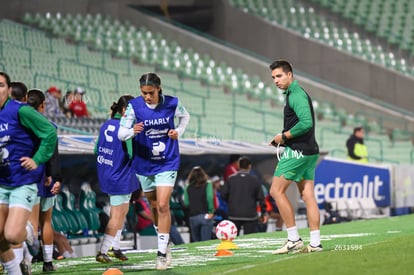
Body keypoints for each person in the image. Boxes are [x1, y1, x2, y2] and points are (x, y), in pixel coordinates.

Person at [118, 72, 190, 270]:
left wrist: (179, 132)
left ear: (159, 88)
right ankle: (165, 242)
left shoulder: (172, 103)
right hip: (144, 163)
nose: (147, 97)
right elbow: (121, 133)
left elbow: (185, 117)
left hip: (167, 161)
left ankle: (160, 254)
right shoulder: (134, 106)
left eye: (150, 92)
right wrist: (133, 131)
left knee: (164, 205)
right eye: (143, 93)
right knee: (154, 205)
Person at [0, 72, 57, 274]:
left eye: (0, 85)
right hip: (1, 182)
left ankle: (29, 231)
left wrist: (37, 159)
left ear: (8, 89)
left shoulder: (21, 111)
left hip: (21, 181)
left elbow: (50, 133)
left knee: (13, 235)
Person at [268, 60, 322, 254]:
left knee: (276, 191)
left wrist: (283, 136)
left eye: (279, 76)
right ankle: (315, 243)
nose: (276, 80)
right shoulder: (297, 93)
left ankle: (293, 239)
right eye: (273, 77)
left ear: (290, 75)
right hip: (310, 151)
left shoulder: (296, 95)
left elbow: (306, 123)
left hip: (297, 151)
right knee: (308, 196)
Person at [95, 95, 140, 264]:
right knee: (117, 215)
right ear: (123, 111)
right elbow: (131, 154)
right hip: (121, 176)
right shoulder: (124, 127)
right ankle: (103, 250)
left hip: (108, 173)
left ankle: (116, 247)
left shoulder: (105, 125)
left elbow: (96, 149)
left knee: (122, 212)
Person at [26, 89, 62, 272]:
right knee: (46, 221)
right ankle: (48, 262)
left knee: (30, 223)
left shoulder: (20, 125)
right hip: (46, 178)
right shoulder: (50, 126)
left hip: (28, 179)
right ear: (42, 105)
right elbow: (53, 156)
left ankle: (26, 261)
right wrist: (55, 178)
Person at [221, 156, 268, 235]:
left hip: (234, 214)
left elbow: (223, 194)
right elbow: (261, 198)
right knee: (249, 239)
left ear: (238, 166)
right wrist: (263, 213)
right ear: (249, 166)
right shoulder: (254, 180)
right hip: (250, 215)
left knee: (233, 237)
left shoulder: (231, 179)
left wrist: (231, 202)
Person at [183, 166, 215, 242]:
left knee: (196, 243)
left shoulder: (187, 187)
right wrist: (211, 211)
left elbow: (186, 203)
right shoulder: (208, 184)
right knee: (205, 242)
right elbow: (209, 197)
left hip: (193, 217)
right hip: (205, 215)